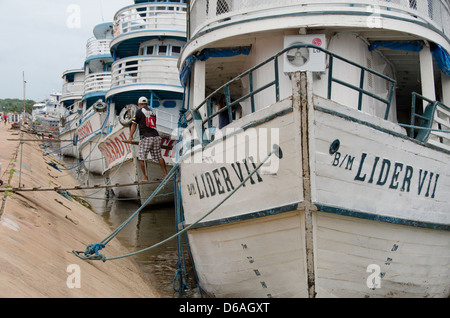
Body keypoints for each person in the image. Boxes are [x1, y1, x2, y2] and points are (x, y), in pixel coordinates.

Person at [128, 96, 167, 182]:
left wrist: (130, 137)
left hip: (146, 137)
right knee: (159, 156)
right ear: (147, 104)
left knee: (142, 158)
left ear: (139, 104)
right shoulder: (152, 112)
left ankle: (145, 177)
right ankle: (165, 174)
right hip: (156, 137)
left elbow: (134, 125)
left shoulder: (139, 112)